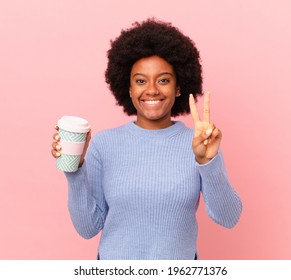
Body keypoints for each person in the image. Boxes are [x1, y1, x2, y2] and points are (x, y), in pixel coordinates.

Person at [51, 18, 242, 260]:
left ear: (178, 87)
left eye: (163, 80)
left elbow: (229, 218)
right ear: (129, 89)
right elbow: (88, 228)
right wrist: (75, 170)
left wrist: (208, 163)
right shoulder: (105, 145)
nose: (151, 89)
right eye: (140, 81)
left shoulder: (199, 143)